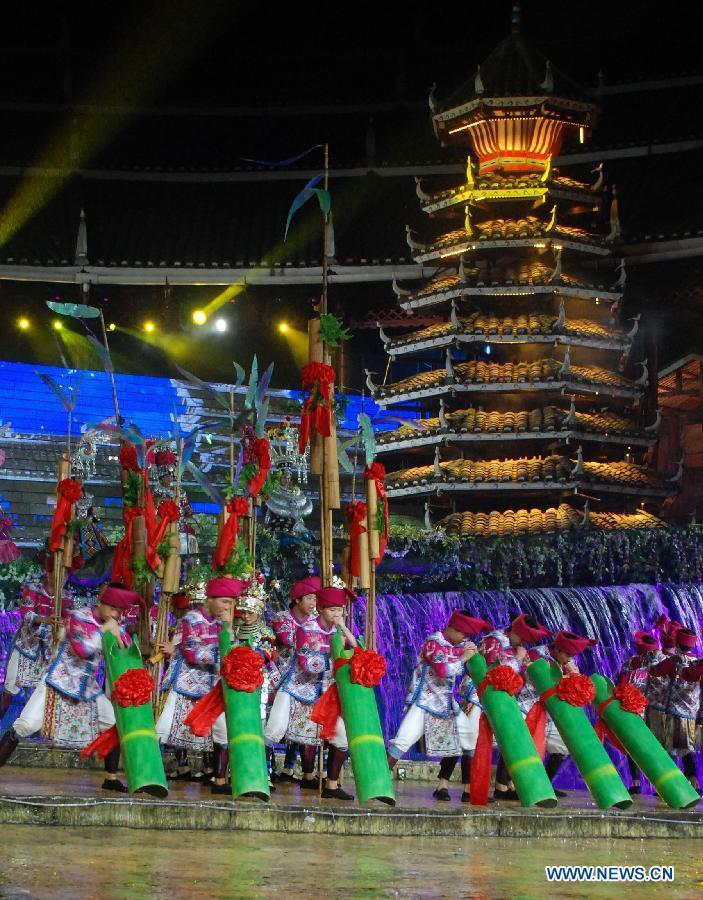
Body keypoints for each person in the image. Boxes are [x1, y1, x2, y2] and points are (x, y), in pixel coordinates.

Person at [0, 583, 138, 792]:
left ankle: (110, 778)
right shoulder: (78, 617)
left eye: (119, 612)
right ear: (102, 604)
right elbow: (82, 649)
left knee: (113, 723)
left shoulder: (111, 623)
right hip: (58, 682)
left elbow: (125, 647)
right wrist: (104, 631)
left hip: (86, 689)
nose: (116, 616)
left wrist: (120, 637)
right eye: (113, 610)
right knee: (24, 726)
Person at [387, 610, 492, 803]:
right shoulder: (433, 643)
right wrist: (463, 658)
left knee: (469, 737)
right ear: (453, 629)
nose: (465, 639)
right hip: (424, 701)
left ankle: (470, 789)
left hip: (446, 703)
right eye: (464, 634)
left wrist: (473, 655)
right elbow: (442, 670)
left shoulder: (457, 645)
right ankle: (379, 784)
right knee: (402, 741)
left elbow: (470, 669)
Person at [265, 585, 357, 800]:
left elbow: (356, 650)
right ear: (321, 609)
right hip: (296, 689)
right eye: (332, 610)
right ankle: (261, 776)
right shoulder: (306, 629)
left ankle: (331, 786)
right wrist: (335, 659)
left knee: (342, 739)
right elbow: (308, 664)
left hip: (323, 694)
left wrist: (344, 629)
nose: (337, 614)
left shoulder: (336, 632)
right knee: (274, 730)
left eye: (340, 610)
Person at [156, 577, 241, 794]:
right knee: (164, 729)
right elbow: (192, 653)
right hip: (185, 682)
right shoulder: (191, 620)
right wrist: (221, 651)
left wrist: (228, 631)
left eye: (230, 603)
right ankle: (150, 775)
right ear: (210, 599)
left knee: (222, 731)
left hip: (213, 687)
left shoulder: (225, 624)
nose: (227, 607)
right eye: (224, 601)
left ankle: (220, 781)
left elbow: (232, 655)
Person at [474, 613, 551, 800]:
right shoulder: (494, 641)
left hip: (506, 699)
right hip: (480, 697)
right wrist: (518, 659)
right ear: (514, 631)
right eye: (522, 638)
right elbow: (495, 669)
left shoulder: (517, 647)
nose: (522, 643)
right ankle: (476, 789)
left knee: (509, 740)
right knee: (474, 743)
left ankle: (505, 785)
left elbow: (522, 674)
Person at [269, 575, 319, 783]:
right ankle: (268, 770)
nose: (313, 604)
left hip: (306, 681)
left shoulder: (315, 621)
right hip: (280, 678)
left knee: (308, 725)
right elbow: (288, 640)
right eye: (309, 598)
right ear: (297, 599)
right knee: (274, 725)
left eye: (316, 599)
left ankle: (303, 773)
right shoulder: (281, 618)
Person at [542, 629, 598, 796]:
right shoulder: (539, 656)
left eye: (572, 656)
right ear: (558, 649)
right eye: (568, 655)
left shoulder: (565, 662)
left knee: (561, 747)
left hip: (553, 712)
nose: (570, 659)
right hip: (531, 707)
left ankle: (546, 784)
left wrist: (574, 675)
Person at [648, 626, 702, 789]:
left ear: (677, 643)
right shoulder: (697, 663)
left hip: (676, 712)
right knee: (680, 748)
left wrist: (653, 659)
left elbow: (656, 672)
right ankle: (676, 785)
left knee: (679, 749)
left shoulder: (675, 661)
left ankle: (690, 785)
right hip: (692, 714)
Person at [616, 630, 663, 794]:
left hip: (652, 713)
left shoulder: (660, 665)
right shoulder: (630, 664)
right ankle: (637, 782)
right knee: (634, 747)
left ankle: (657, 783)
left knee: (650, 748)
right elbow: (620, 686)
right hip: (635, 712)